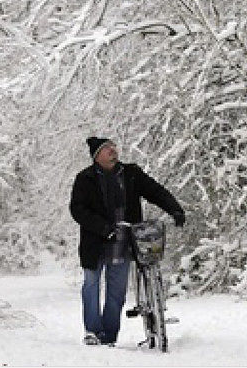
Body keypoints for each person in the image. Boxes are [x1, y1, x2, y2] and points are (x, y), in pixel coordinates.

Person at [69, 136, 185, 346]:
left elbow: (155, 191)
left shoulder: (131, 174)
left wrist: (174, 209)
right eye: (107, 148)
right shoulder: (84, 179)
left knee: (117, 292)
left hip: (123, 242)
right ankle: (92, 332)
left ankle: (109, 336)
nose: (113, 150)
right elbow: (77, 210)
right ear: (97, 156)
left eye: (113, 146)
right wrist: (103, 228)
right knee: (91, 286)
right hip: (94, 243)